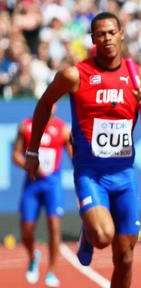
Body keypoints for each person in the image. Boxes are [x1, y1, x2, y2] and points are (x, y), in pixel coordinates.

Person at [24, 12, 141, 288]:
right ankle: (88, 231)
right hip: (91, 174)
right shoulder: (75, 74)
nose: (107, 38)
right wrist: (33, 151)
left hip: (125, 176)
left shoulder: (140, 75)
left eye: (111, 32)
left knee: (125, 258)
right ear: (93, 39)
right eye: (101, 34)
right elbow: (44, 103)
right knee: (102, 235)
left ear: (121, 34)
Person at [12, 105, 72, 287]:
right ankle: (32, 256)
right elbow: (16, 155)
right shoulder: (26, 126)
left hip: (52, 185)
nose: (50, 107)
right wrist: (30, 165)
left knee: (54, 226)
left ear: (55, 107)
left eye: (52, 104)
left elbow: (74, 155)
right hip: (32, 185)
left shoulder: (62, 129)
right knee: (26, 230)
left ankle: (51, 271)